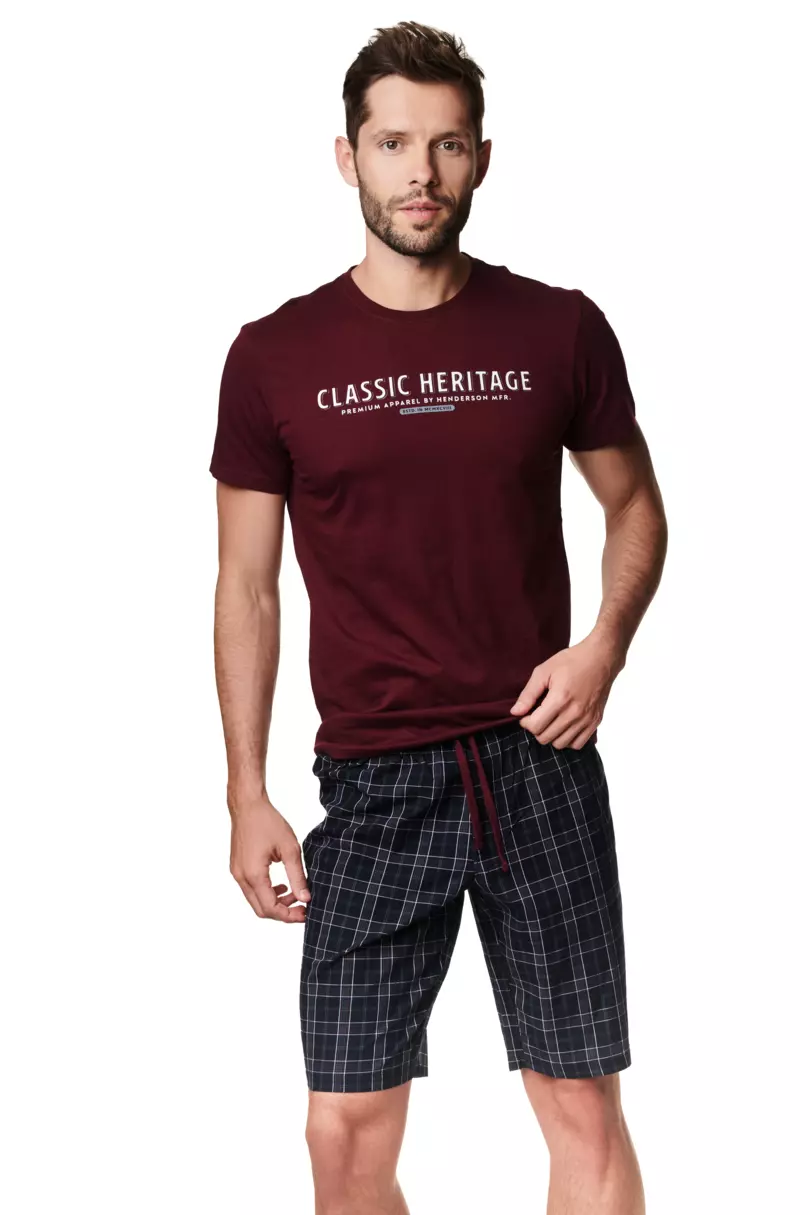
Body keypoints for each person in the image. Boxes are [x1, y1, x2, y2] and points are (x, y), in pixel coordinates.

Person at [209, 19, 666, 1215]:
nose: (421, 172)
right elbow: (246, 586)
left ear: (482, 159)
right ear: (347, 157)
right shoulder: (274, 356)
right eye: (394, 143)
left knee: (581, 1104)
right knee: (343, 1130)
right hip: (374, 780)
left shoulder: (558, 328)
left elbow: (635, 506)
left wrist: (603, 649)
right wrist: (246, 789)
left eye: (448, 145)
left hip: (540, 759)